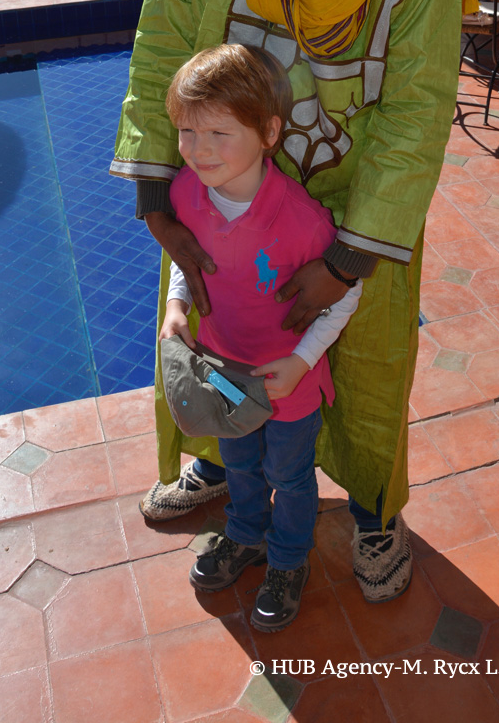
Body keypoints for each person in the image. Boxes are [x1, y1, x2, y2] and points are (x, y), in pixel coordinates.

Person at [111, 0, 477, 604]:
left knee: (360, 362)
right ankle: (223, 466)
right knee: (207, 330)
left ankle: (370, 513)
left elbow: (417, 104)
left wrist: (350, 261)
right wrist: (159, 195)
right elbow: (161, 45)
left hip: (349, 208)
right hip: (216, 191)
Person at [161, 43, 360, 631]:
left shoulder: (298, 219)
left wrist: (301, 362)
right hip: (223, 370)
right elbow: (186, 256)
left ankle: (289, 558)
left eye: (219, 132)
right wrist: (177, 304)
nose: (199, 150)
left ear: (268, 131)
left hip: (288, 384)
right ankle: (246, 535)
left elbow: (345, 294)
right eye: (187, 132)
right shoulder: (185, 195)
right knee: (240, 462)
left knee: (290, 476)